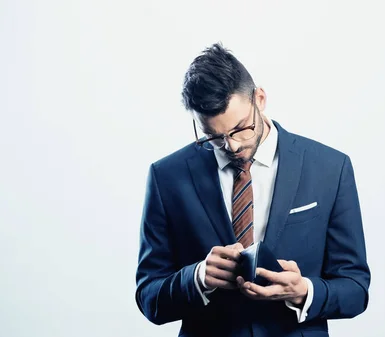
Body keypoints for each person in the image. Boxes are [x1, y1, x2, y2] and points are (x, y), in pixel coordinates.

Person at [135, 43, 370, 337]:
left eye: (240, 129)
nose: (231, 146)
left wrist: (303, 291)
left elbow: (356, 289)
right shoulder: (166, 176)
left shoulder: (330, 168)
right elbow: (148, 296)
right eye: (213, 137)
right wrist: (196, 278)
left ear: (259, 98)